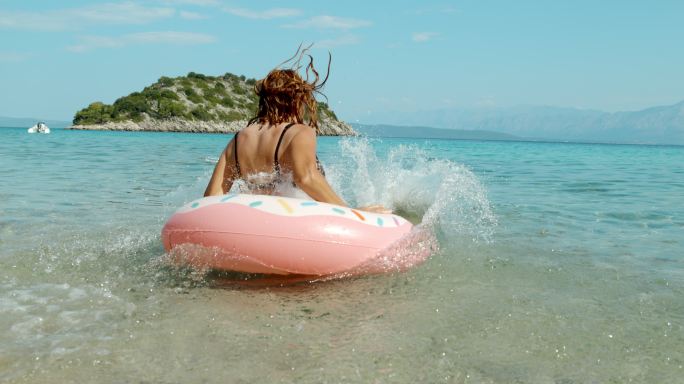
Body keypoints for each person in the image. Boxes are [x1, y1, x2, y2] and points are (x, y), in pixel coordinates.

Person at [204, 49, 388, 213]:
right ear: (297, 100)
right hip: (295, 223)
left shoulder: (239, 139)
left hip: (258, 220)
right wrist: (351, 212)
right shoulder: (299, 132)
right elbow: (306, 178)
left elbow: (213, 195)